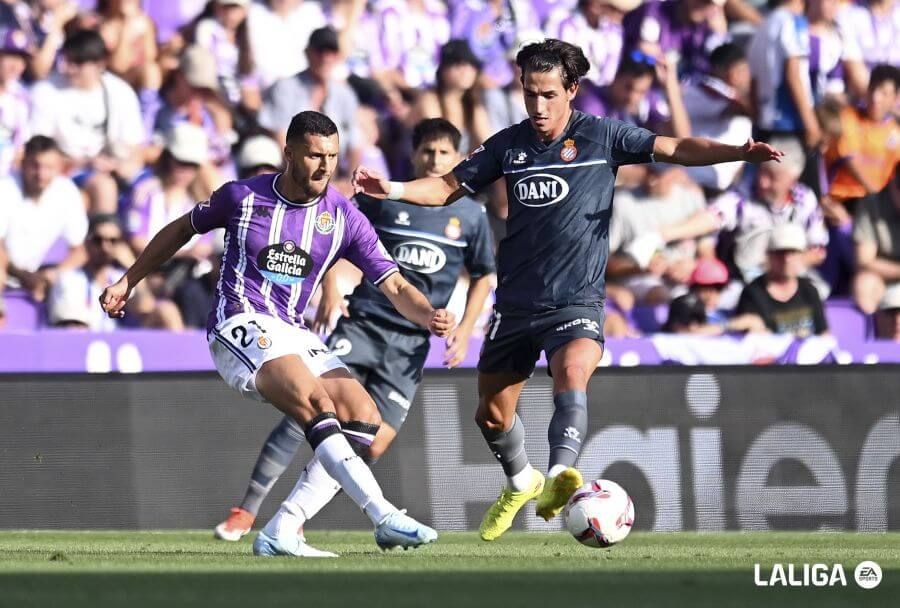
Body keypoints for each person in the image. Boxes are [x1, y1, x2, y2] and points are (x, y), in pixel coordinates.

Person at [352, 38, 782, 541]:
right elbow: (447, 186)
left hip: (576, 299)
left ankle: (560, 476)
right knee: (491, 416)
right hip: (516, 304)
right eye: (530, 94)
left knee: (572, 373)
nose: (538, 106)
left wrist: (737, 153)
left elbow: (674, 149)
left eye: (549, 95)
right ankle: (521, 481)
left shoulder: (602, 137)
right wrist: (396, 189)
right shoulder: (507, 145)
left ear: (572, 90)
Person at [100, 111, 453, 557]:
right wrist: (128, 280)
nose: (325, 166)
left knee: (364, 417)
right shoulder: (241, 197)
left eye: (332, 156)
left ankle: (284, 527)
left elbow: (396, 285)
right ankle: (383, 514)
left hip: (291, 328)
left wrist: (429, 315)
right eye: (314, 156)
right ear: (289, 154)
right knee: (317, 403)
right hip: (239, 321)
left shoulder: (343, 215)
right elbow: (180, 231)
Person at [213, 117, 496, 541]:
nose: (435, 159)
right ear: (414, 154)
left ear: (457, 158)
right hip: (364, 321)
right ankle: (248, 510)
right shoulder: (382, 200)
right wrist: (329, 288)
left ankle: (291, 521)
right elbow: (322, 235)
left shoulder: (471, 216)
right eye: (427, 151)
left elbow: (482, 276)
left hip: (411, 342)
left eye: (443, 153)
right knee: (309, 408)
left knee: (372, 436)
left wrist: (462, 325)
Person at [0, 135, 87, 302]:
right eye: (35, 166)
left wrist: (52, 275)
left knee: (71, 282)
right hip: (8, 271)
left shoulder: (67, 192)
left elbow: (80, 250)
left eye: (49, 167)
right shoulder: (4, 188)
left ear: (60, 167)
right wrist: (22, 275)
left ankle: (73, 326)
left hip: (39, 275)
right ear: (23, 164)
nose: (41, 174)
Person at [735, 223, 829, 336]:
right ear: (769, 255)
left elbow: (824, 334)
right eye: (780, 253)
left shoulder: (809, 290)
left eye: (792, 252)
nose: (787, 259)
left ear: (801, 255)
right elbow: (750, 339)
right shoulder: (752, 293)